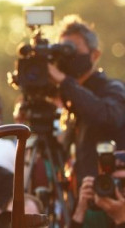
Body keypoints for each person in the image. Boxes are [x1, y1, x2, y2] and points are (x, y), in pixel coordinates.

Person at [48, 15, 125, 186]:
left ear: (95, 54)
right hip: (83, 196)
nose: (68, 58)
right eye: (63, 51)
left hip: (110, 194)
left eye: (72, 50)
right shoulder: (70, 97)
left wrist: (64, 82)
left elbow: (108, 116)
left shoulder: (113, 88)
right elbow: (60, 154)